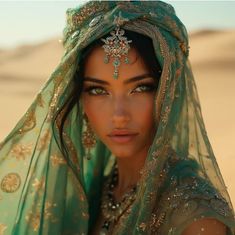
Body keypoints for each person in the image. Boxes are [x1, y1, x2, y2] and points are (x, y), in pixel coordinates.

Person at [0, 1, 234, 234]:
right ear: (79, 100)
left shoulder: (195, 216)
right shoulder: (94, 192)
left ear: (169, 93)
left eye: (141, 88)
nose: (119, 116)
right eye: (98, 90)